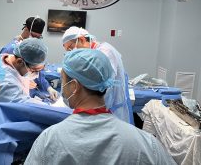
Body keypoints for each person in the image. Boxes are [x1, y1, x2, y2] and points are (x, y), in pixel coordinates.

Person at [25, 49, 176, 164]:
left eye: (63, 81)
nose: (62, 88)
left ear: (74, 86)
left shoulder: (49, 140)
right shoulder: (147, 144)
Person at [61, 26, 132, 123]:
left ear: (81, 39)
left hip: (111, 107)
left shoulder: (105, 52)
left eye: (71, 48)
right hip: (99, 107)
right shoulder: (93, 53)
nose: (71, 52)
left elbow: (101, 84)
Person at [0, 16, 58, 101]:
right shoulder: (9, 50)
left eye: (38, 37)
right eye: (33, 35)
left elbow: (36, 71)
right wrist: (22, 81)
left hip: (30, 93)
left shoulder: (35, 49)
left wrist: (48, 88)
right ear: (26, 29)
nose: (35, 39)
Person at [0, 38, 48, 108]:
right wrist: (50, 108)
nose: (36, 76)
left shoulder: (8, 58)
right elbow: (24, 105)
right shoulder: (7, 83)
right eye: (34, 70)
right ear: (19, 62)